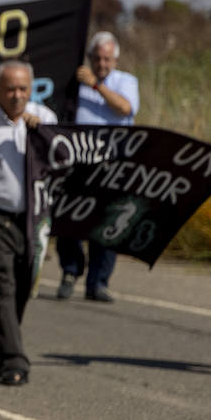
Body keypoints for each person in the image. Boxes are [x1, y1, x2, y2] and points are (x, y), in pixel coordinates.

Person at [0, 60, 57, 387]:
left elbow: (63, 161)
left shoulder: (44, 117)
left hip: (33, 219)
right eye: (10, 89)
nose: (17, 95)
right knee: (3, 288)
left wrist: (45, 135)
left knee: (24, 288)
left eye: (23, 88)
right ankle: (14, 360)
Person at [57, 30, 140, 303]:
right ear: (90, 57)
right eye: (97, 58)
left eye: (106, 59)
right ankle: (71, 270)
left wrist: (96, 86)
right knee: (69, 218)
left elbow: (125, 108)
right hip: (77, 160)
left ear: (115, 60)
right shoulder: (76, 80)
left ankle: (98, 282)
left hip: (113, 162)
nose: (101, 64)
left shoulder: (124, 81)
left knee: (107, 223)